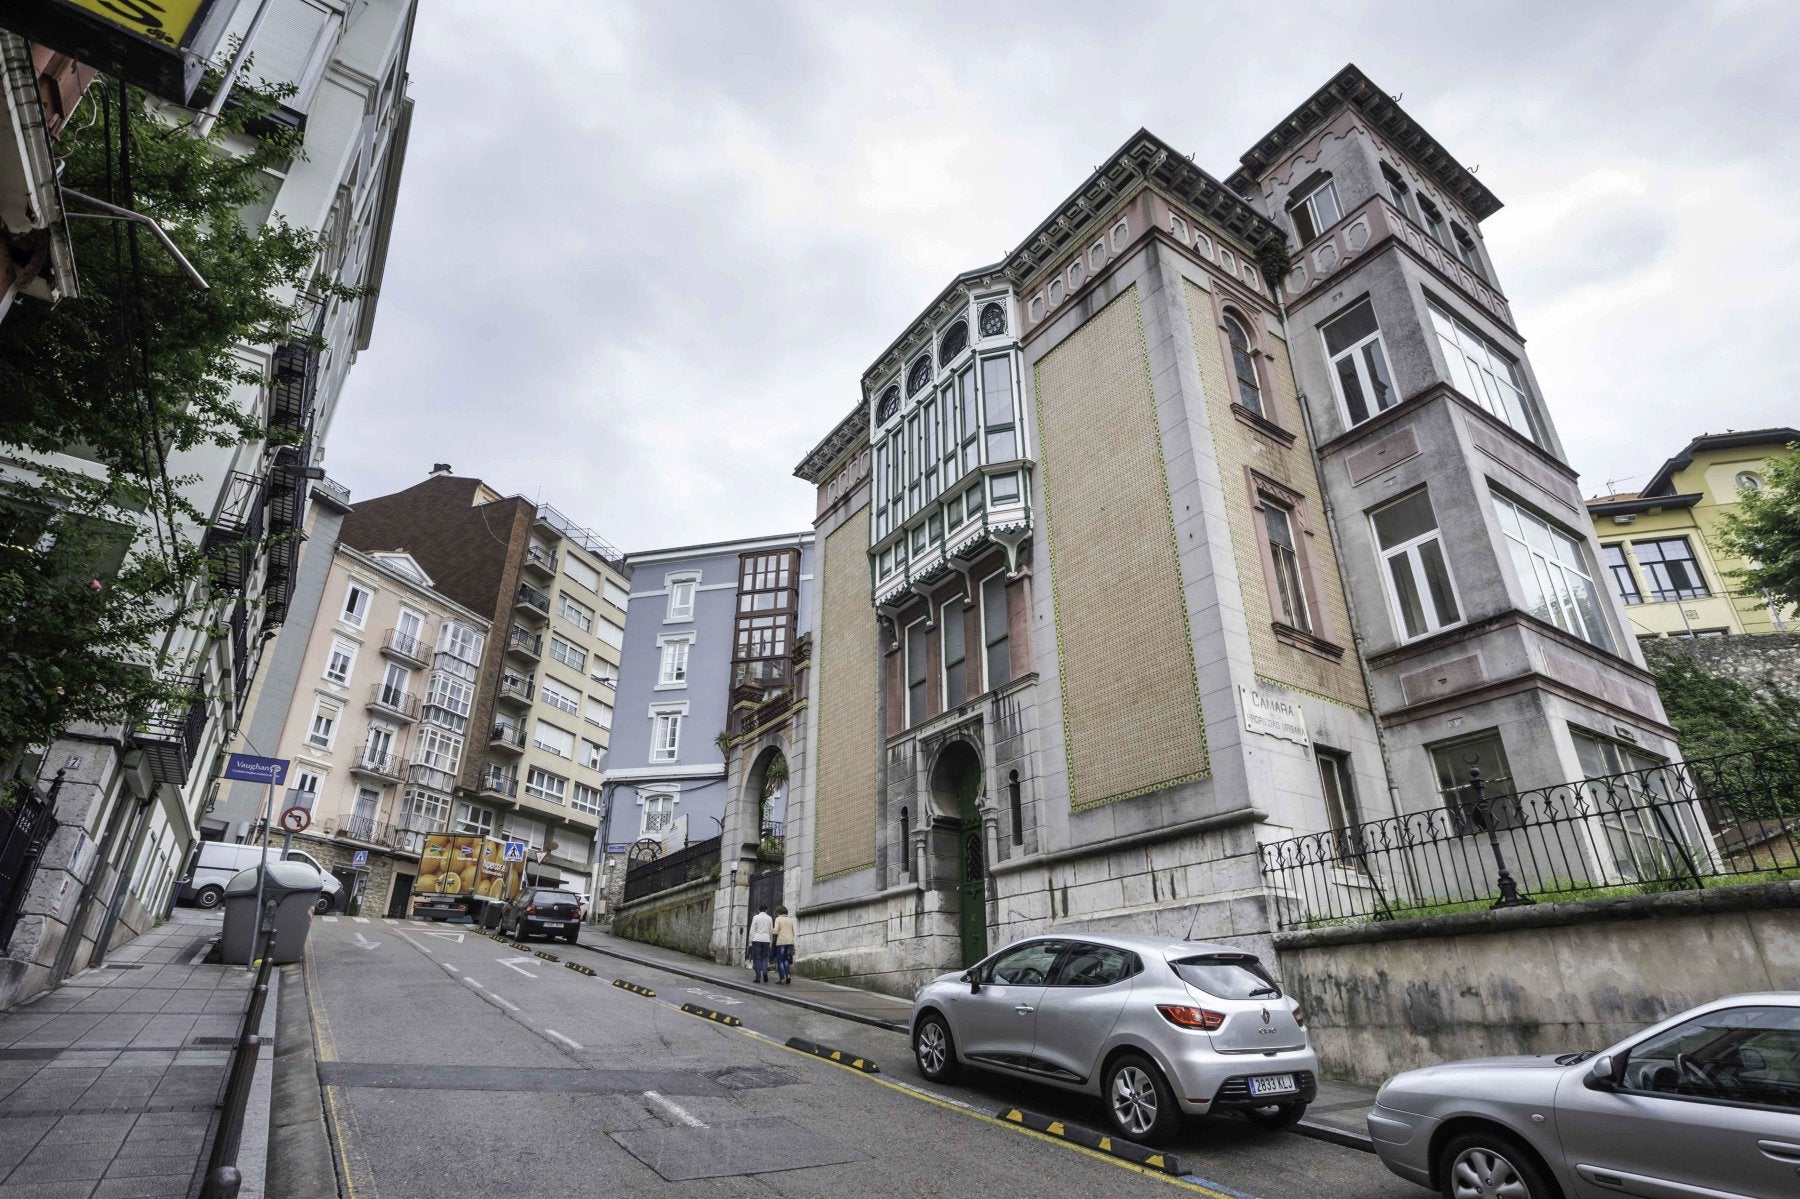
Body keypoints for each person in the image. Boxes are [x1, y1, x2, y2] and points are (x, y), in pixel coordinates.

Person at [747, 904, 774, 983]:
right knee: (764, 958)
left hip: (757, 939)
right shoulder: (769, 918)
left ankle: (758, 977)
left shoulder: (756, 917)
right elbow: (770, 931)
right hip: (766, 940)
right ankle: (765, 973)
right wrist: (771, 942)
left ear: (759, 910)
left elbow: (752, 930)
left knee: (757, 958)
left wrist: (750, 943)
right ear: (766, 910)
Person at [771, 905, 796, 984]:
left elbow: (776, 931)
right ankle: (788, 975)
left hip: (781, 942)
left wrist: (772, 931)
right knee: (786, 960)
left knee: (780, 960)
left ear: (778, 912)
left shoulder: (778, 919)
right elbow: (793, 931)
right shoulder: (790, 920)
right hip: (790, 942)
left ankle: (782, 978)